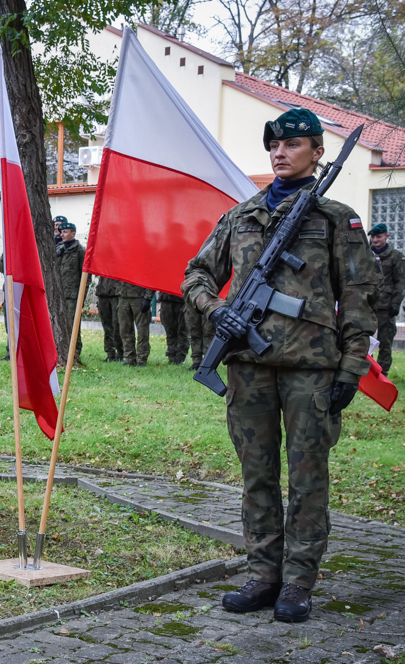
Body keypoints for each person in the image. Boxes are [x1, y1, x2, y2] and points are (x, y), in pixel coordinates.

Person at [182, 108, 380, 623]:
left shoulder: (336, 219)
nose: (280, 152)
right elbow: (197, 275)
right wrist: (218, 310)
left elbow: (358, 298)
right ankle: (263, 574)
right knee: (257, 476)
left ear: (317, 152)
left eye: (293, 145)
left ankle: (298, 581)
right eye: (274, 145)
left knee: (308, 478)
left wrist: (351, 369)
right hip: (249, 367)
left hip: (311, 370)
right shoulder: (241, 216)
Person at [369, 223, 405, 375]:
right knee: (366, 341)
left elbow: (402, 282)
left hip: (386, 307)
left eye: (378, 236)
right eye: (373, 237)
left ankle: (382, 372)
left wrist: (396, 303)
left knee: (385, 342)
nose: (375, 240)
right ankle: (367, 372)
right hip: (368, 306)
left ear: (387, 236)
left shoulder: (396, 257)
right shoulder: (366, 255)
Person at [55, 221, 89, 361]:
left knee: (73, 326)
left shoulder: (80, 251)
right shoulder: (58, 250)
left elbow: (85, 277)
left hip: (72, 296)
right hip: (58, 295)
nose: (61, 234)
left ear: (73, 233)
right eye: (61, 232)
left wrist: (82, 298)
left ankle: (75, 352)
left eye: (65, 232)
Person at [118, 282, 152, 366]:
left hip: (139, 296)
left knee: (142, 331)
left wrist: (148, 298)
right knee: (125, 330)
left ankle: (142, 359)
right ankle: (129, 357)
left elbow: (150, 277)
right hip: (123, 296)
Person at [95, 276, 122, 362]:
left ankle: (121, 352)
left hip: (116, 293)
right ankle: (110, 353)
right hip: (102, 292)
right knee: (107, 326)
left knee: (117, 324)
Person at [158, 292, 189, 365]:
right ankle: (171, 357)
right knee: (170, 331)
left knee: (182, 331)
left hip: (182, 300)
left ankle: (180, 358)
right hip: (166, 299)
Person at [186, 300, 215, 369]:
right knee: (194, 332)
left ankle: (207, 362)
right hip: (192, 300)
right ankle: (196, 361)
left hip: (209, 300)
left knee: (209, 332)